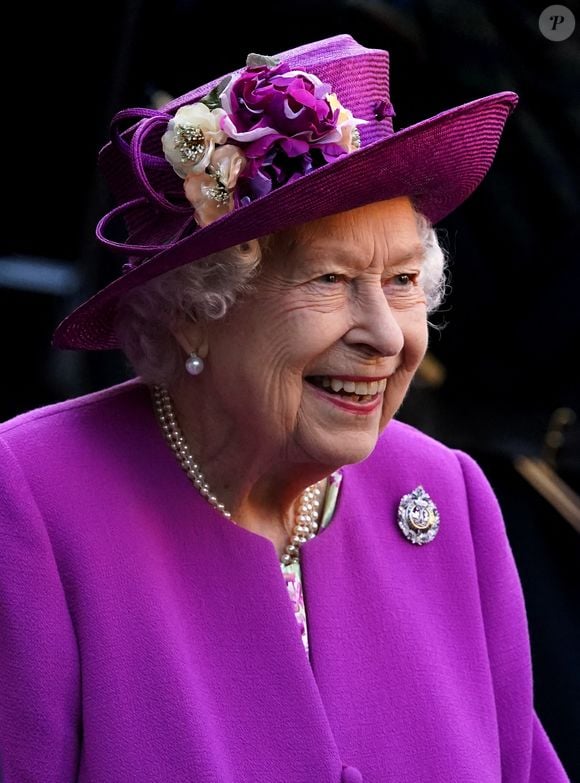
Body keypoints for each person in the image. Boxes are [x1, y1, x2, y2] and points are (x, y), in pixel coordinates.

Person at [0, 34, 570, 783]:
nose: (385, 336)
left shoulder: (449, 492)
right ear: (195, 310)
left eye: (402, 281)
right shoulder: (36, 499)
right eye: (330, 280)